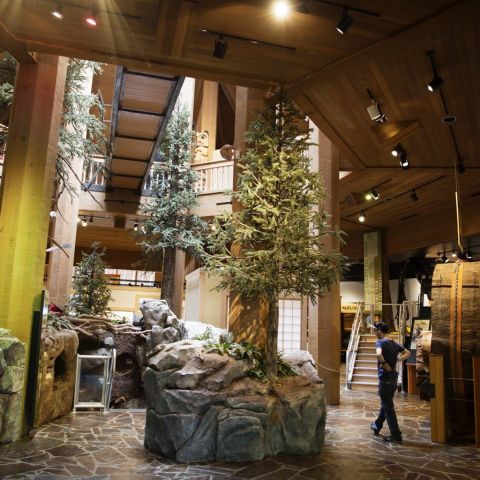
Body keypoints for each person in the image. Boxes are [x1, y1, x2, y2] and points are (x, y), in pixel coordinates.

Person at [370, 321, 410, 444]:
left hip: (385, 379)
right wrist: (398, 360)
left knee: (388, 407)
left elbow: (378, 354)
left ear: (380, 331)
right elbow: (407, 353)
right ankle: (377, 425)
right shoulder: (393, 343)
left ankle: (396, 435)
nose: (375, 332)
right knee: (386, 403)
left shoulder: (380, 342)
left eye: (375, 330)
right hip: (393, 378)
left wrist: (384, 364)